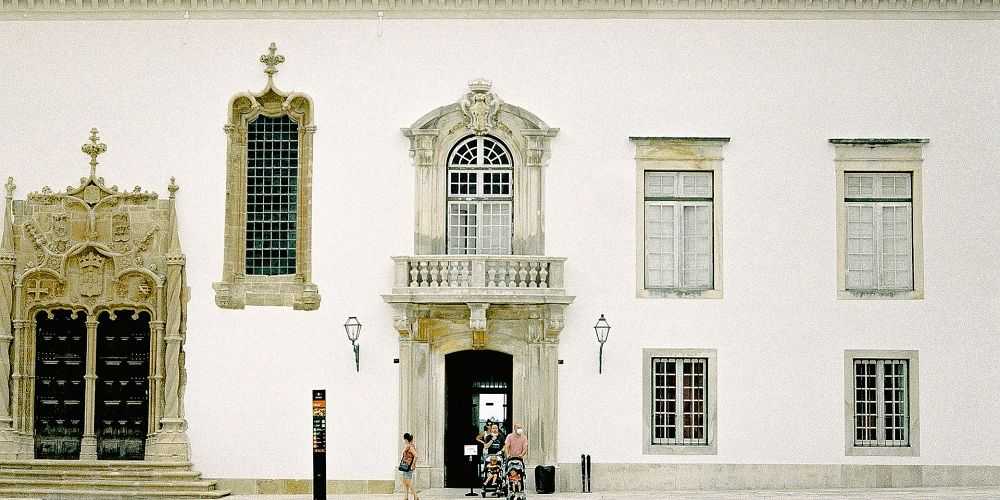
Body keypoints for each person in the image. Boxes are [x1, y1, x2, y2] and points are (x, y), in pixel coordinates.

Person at [399, 433, 420, 500]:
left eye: (404, 439)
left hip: (409, 466)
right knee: (405, 482)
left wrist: (413, 464)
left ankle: (416, 496)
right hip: (406, 466)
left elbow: (416, 456)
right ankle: (406, 497)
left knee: (408, 482)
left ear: (406, 439)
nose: (404, 440)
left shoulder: (410, 447)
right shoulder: (408, 446)